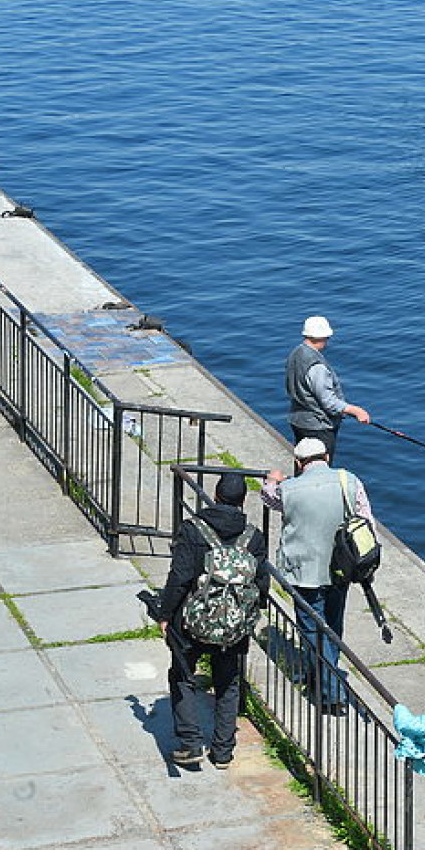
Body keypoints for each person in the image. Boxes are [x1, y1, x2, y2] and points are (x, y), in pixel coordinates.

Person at [157, 472, 269, 769]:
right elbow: (262, 583)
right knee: (227, 682)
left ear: (215, 496)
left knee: (182, 675)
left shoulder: (193, 530)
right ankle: (222, 751)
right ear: (243, 501)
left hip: (191, 621)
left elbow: (180, 578)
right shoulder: (253, 537)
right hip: (234, 624)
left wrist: (165, 614)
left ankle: (191, 742)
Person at [262, 437, 375, 714]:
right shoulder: (349, 480)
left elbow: (268, 497)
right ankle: (326, 678)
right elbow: (366, 520)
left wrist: (272, 479)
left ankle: (330, 691)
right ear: (326, 457)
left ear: (299, 464)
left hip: (303, 570)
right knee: (333, 626)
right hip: (341, 568)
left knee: (312, 628)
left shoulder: (288, 489)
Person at [284, 315, 370, 462]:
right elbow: (328, 402)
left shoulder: (295, 353)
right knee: (318, 467)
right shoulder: (316, 366)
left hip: (298, 420)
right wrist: (356, 411)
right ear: (323, 337)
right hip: (317, 427)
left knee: (301, 462)